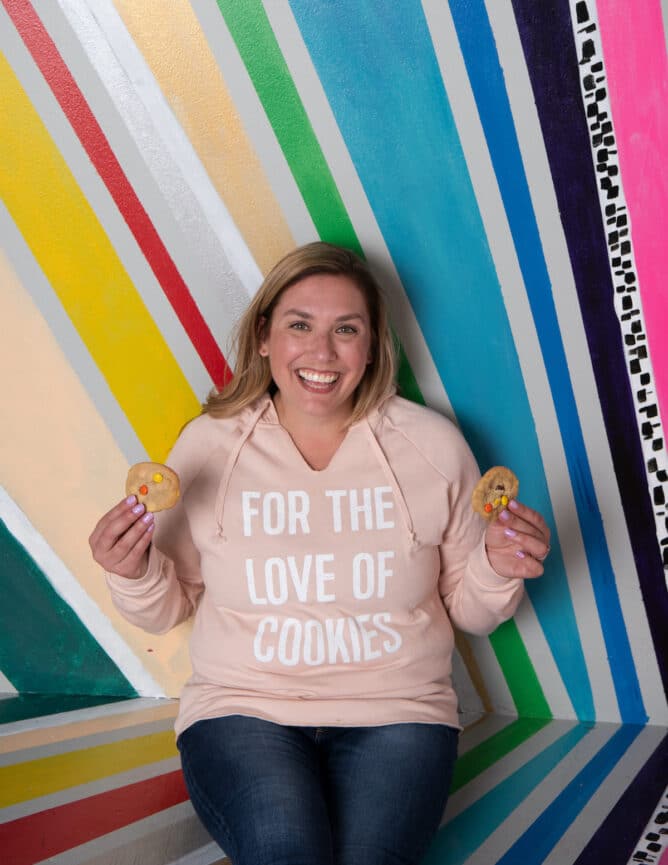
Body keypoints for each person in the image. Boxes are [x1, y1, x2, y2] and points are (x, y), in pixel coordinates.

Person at [90, 242, 550, 865]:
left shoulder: (432, 445)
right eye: (300, 325)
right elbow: (166, 608)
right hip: (241, 709)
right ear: (263, 337)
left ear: (373, 343)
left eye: (346, 330)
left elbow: (470, 612)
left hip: (400, 712)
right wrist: (133, 569)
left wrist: (498, 565)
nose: (322, 353)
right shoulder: (208, 448)